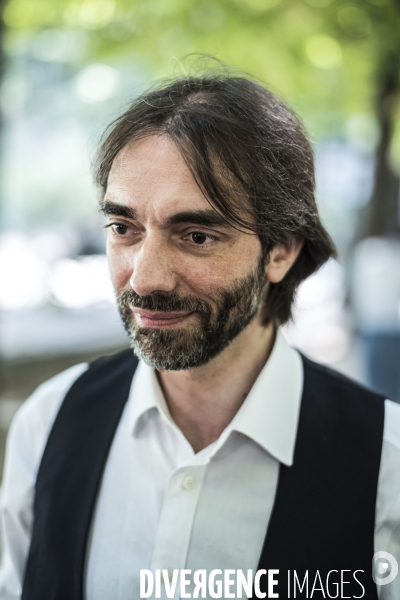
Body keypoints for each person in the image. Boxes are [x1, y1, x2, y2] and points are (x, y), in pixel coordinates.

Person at [1, 69, 400, 600]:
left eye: (195, 236)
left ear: (281, 250)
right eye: (124, 229)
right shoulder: (48, 423)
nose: (145, 277)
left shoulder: (387, 465)